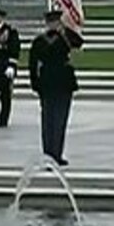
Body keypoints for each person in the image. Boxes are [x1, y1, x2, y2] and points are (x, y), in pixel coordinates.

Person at [28, 11, 83, 166]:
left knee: (58, 120)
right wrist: (35, 84)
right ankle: (49, 153)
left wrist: (66, 29)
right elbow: (33, 64)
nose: (53, 25)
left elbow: (79, 41)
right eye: (52, 22)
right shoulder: (40, 41)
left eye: (56, 22)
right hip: (50, 83)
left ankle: (55, 153)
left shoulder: (64, 38)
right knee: (50, 121)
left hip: (60, 84)